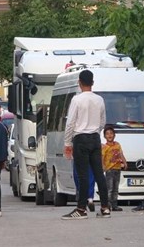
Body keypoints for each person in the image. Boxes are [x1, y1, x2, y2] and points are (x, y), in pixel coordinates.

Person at [61, 70, 111, 220]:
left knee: (83, 175)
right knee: (99, 174)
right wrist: (94, 131)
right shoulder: (99, 100)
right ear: (93, 83)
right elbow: (102, 122)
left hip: (80, 138)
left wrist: (67, 143)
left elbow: (70, 123)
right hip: (95, 138)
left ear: (79, 83)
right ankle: (105, 207)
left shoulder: (76, 100)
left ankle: (81, 209)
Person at [102, 126, 127, 211]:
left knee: (116, 188)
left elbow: (121, 154)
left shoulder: (117, 145)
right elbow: (102, 157)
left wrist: (124, 162)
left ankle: (114, 205)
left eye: (111, 133)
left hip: (117, 169)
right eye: (107, 134)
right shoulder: (104, 147)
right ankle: (107, 205)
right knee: (110, 188)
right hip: (109, 170)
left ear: (114, 135)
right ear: (105, 136)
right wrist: (103, 166)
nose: (109, 135)